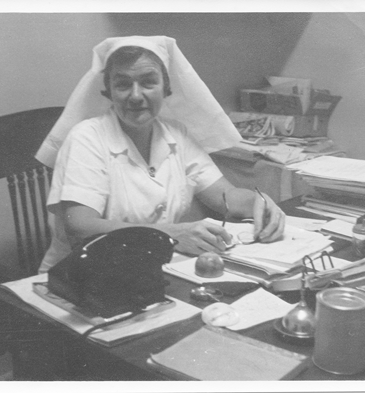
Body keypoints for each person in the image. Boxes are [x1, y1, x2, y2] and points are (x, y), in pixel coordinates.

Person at [36, 36, 286, 273]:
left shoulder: (176, 134)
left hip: (151, 269)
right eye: (123, 84)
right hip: (81, 278)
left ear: (166, 89)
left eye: (148, 82)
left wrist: (258, 202)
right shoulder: (87, 137)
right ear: (108, 91)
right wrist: (171, 234)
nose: (135, 96)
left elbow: (226, 195)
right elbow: (80, 227)